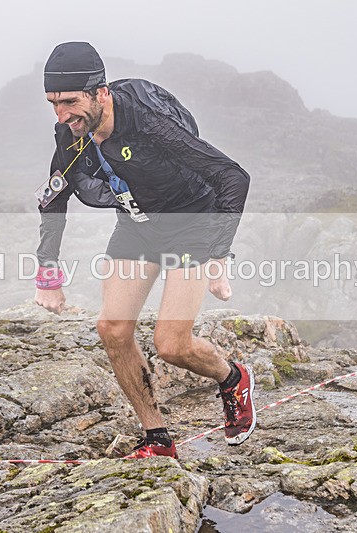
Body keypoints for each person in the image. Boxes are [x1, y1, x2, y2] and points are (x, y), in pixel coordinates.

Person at [33, 42, 254, 459]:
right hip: (136, 225)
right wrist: (48, 275)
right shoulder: (71, 133)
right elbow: (54, 197)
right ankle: (157, 438)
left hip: (192, 222)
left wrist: (218, 254)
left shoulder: (148, 122)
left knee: (171, 344)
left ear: (101, 93)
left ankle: (232, 378)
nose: (61, 116)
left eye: (69, 102)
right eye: (53, 104)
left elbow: (232, 177)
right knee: (112, 330)